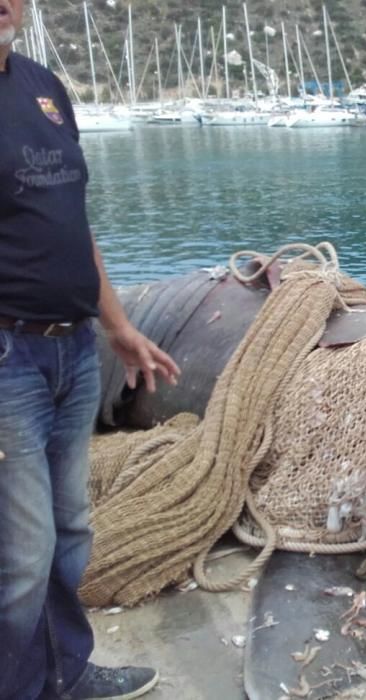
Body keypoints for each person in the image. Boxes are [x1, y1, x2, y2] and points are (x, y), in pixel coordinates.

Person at [0, 2, 181, 699]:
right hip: (7, 359)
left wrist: (118, 326)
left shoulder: (43, 86)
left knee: (70, 530)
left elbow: (73, 221)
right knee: (20, 554)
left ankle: (62, 673)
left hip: (73, 350)